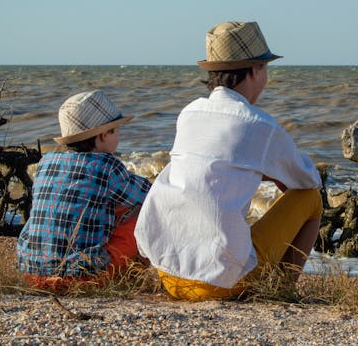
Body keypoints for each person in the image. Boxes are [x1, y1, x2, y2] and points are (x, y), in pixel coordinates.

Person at [135, 21, 323, 301]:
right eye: (266, 70)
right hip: (218, 284)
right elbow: (307, 179)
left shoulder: (189, 113)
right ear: (255, 69)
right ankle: (282, 291)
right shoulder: (260, 125)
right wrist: (271, 173)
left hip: (168, 273)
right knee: (311, 198)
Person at [16, 90, 152, 291]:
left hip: (31, 272)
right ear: (104, 134)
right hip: (83, 278)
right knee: (142, 212)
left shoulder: (46, 162)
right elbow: (150, 194)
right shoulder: (107, 166)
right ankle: (134, 277)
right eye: (116, 130)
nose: (118, 136)